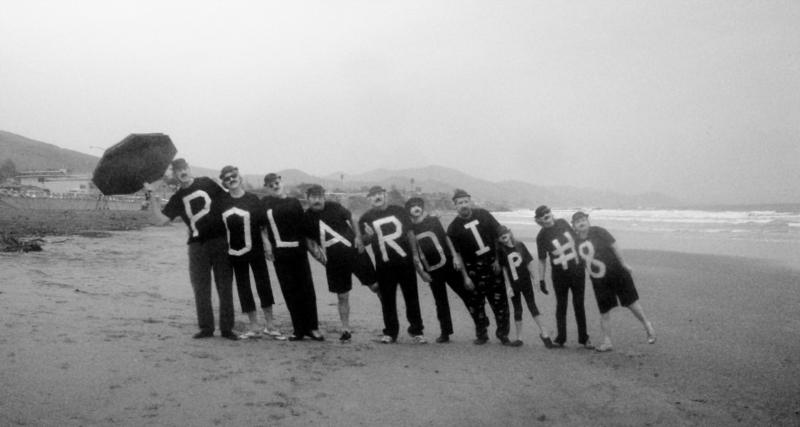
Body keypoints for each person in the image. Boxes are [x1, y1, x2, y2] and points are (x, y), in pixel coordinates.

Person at [143, 158, 237, 340]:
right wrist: (151, 195)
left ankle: (227, 328)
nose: (182, 172)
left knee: (224, 287)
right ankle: (206, 328)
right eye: (178, 170)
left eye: (184, 168)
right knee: (201, 288)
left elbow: (228, 201)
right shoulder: (177, 198)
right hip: (197, 246)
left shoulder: (207, 183)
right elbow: (160, 220)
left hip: (220, 241)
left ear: (189, 168)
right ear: (175, 174)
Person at [406, 197, 488, 343]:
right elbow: (414, 255)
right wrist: (422, 273)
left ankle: (481, 329)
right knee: (440, 302)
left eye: (418, 205)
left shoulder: (433, 221)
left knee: (466, 295)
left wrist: (455, 257)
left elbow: (446, 238)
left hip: (449, 264)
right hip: (431, 270)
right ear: (408, 210)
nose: (416, 208)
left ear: (422, 207)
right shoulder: (409, 230)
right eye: (412, 206)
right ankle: (445, 332)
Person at [571, 211, 656, 352]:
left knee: (631, 304)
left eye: (583, 219)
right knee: (604, 312)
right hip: (598, 281)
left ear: (587, 220)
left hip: (617, 273)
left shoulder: (599, 231)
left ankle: (648, 326)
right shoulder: (577, 242)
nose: (581, 222)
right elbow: (581, 262)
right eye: (577, 221)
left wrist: (624, 264)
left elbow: (614, 245)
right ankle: (607, 342)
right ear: (574, 225)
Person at [217, 166, 285, 340]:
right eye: (227, 178)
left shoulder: (253, 199)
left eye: (234, 176)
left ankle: (270, 325)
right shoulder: (222, 201)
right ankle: (254, 327)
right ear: (224, 183)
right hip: (234, 252)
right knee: (243, 288)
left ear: (239, 177)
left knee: (263, 285)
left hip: (255, 250)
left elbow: (262, 225)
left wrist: (267, 245)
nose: (231, 180)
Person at [303, 184, 377, 343]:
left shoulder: (334, 207)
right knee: (342, 296)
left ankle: (390, 325)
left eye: (320, 196)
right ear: (307, 198)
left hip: (356, 253)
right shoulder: (307, 218)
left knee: (375, 286)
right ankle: (345, 329)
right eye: (314, 197)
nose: (318, 200)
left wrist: (358, 236)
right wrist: (323, 261)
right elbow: (310, 243)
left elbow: (352, 218)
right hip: (335, 263)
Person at [358, 185, 426, 344]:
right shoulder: (366, 218)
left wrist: (415, 255)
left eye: (379, 194)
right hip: (383, 264)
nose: (377, 197)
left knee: (411, 297)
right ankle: (390, 332)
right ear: (369, 199)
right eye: (373, 195)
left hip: (405, 261)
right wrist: (367, 236)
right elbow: (364, 243)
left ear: (385, 195)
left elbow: (410, 233)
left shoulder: (399, 211)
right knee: (387, 300)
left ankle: (417, 330)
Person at [262, 173, 324, 341]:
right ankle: (298, 329)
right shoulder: (265, 204)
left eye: (276, 182)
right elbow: (261, 227)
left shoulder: (294, 202)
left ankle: (312, 328)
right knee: (290, 292)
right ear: (267, 188)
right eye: (270, 184)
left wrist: (319, 252)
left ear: (281, 182)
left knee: (307, 290)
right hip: (280, 255)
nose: (274, 186)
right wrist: (266, 243)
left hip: (298, 252)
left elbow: (305, 229)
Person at [446, 189, 511, 346]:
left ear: (470, 201)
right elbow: (458, 255)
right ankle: (482, 334)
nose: (464, 205)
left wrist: (497, 260)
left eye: (465, 201)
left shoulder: (484, 214)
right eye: (460, 203)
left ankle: (503, 334)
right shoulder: (453, 228)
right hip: (472, 270)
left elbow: (498, 236)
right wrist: (465, 277)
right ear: (455, 205)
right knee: (476, 305)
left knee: (500, 302)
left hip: (492, 265)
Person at [535, 205, 591, 348]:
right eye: (542, 214)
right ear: (539, 219)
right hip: (559, 275)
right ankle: (561, 338)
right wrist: (541, 280)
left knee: (579, 305)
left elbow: (578, 240)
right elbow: (542, 260)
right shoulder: (541, 237)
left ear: (551, 212)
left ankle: (584, 338)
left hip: (577, 271)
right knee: (561, 306)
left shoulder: (563, 223)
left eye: (547, 212)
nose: (546, 215)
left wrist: (588, 259)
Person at [497, 225, 555, 348]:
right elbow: (504, 270)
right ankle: (519, 338)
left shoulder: (520, 245)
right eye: (500, 235)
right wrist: (508, 286)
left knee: (532, 306)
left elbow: (528, 263)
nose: (503, 235)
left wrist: (535, 279)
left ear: (509, 232)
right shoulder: (501, 250)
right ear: (499, 239)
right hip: (513, 284)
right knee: (517, 309)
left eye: (505, 232)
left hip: (525, 282)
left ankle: (544, 333)